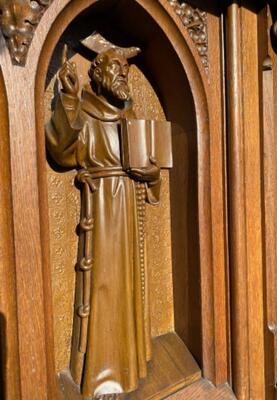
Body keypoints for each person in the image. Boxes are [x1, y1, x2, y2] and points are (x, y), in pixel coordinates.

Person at [46, 44, 162, 399]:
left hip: (130, 210)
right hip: (104, 210)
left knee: (130, 289)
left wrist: (152, 175)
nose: (122, 75)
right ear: (97, 75)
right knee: (106, 288)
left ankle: (131, 364)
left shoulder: (130, 118)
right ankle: (103, 374)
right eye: (115, 68)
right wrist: (68, 97)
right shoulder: (86, 113)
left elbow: (153, 169)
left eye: (125, 71)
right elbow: (63, 153)